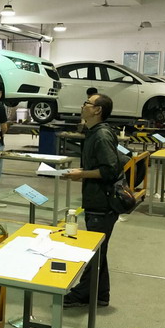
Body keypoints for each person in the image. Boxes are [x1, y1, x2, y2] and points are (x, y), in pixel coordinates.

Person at [65, 93, 120, 308]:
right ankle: (101, 294)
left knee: (94, 252)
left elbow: (109, 170)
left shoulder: (101, 135)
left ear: (97, 110)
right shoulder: (93, 132)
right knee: (99, 249)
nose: (83, 106)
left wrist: (82, 174)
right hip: (96, 200)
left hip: (102, 203)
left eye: (87, 103)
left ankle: (82, 294)